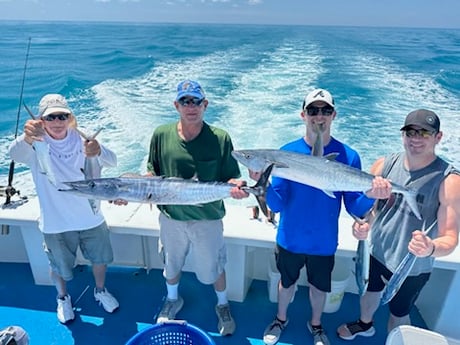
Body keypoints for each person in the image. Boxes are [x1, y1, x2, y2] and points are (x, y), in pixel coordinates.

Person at [249, 88, 391, 345]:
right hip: (290, 239)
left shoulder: (349, 156)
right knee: (286, 283)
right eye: (313, 110)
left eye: (325, 110)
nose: (319, 116)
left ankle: (316, 325)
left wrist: (372, 194)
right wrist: (263, 184)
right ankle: (281, 319)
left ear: (334, 115)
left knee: (319, 288)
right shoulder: (286, 152)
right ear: (303, 115)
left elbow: (355, 207)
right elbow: (277, 205)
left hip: (324, 242)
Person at [337, 109, 460, 340]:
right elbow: (369, 212)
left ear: (438, 137)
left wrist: (430, 247)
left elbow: (450, 238)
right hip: (375, 253)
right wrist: (362, 225)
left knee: (399, 312)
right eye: (411, 132)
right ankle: (365, 324)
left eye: (425, 133)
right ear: (403, 135)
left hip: (412, 266)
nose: (416, 138)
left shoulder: (449, 180)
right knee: (368, 293)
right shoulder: (384, 165)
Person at [146, 80, 249, 336]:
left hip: (208, 217)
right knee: (171, 264)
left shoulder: (221, 138)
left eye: (196, 101)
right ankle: (172, 300)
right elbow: (152, 172)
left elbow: (231, 177)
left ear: (205, 105)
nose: (190, 107)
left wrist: (237, 186)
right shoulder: (161, 134)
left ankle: (222, 305)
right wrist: (139, 184)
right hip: (171, 217)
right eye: (185, 101)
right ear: (176, 105)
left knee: (213, 266)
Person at [8, 94, 119, 324]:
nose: (57, 121)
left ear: (70, 118)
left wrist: (97, 150)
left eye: (62, 116)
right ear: (41, 120)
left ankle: (100, 290)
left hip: (91, 218)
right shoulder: (34, 142)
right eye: (51, 117)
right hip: (55, 222)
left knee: (100, 259)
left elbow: (112, 161)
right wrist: (28, 138)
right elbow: (14, 154)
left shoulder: (83, 139)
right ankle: (62, 297)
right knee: (58, 266)